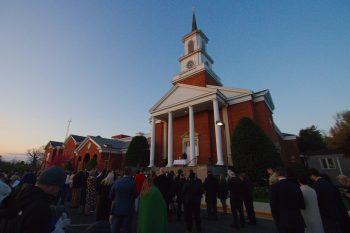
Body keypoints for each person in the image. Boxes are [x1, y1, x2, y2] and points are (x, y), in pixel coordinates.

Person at [0, 166, 66, 233]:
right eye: (59, 187)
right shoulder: (41, 208)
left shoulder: (18, 195)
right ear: (52, 186)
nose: (59, 190)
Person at [308, 168, 349, 233]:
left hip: (326, 215)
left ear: (312, 176)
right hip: (337, 212)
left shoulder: (315, 186)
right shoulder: (331, 184)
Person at [270, 167, 305, 233]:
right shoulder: (295, 185)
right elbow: (301, 202)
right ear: (286, 175)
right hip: (297, 218)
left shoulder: (274, 187)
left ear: (277, 175)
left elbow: (273, 205)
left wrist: (276, 218)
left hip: (283, 220)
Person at [109, 167, 137, 233]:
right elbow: (135, 195)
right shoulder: (132, 183)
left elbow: (111, 196)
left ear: (123, 172)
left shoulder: (116, 182)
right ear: (130, 173)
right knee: (126, 229)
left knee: (115, 228)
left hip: (117, 209)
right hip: (128, 209)